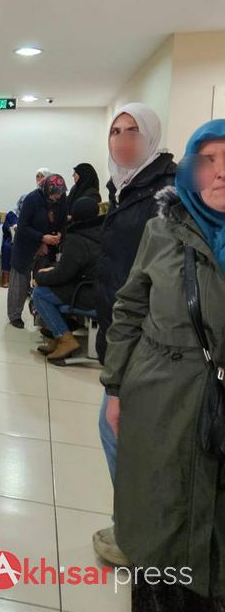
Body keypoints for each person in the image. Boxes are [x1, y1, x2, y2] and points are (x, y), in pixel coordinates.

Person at [101, 119, 225, 610]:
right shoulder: (162, 229)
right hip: (160, 395)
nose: (220, 173)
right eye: (208, 161)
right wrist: (114, 386)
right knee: (159, 523)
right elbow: (131, 306)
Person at [93, 102, 176, 567]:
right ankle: (137, 528)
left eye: (133, 131)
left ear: (151, 137)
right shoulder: (126, 187)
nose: (122, 140)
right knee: (122, 433)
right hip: (123, 333)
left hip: (150, 341)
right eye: (115, 131)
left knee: (119, 433)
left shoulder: (165, 192)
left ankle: (139, 534)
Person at [32, 196, 102, 362]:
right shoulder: (103, 232)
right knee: (51, 290)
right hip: (101, 290)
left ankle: (65, 339)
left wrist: (40, 276)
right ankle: (58, 338)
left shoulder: (77, 238)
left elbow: (62, 275)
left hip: (85, 292)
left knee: (40, 293)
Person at [7, 174, 67, 329]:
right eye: (54, 195)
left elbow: (62, 222)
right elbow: (23, 227)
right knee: (20, 282)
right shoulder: (32, 199)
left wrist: (60, 234)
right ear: (47, 190)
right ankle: (15, 315)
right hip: (26, 246)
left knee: (42, 282)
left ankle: (41, 317)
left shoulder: (62, 199)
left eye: (60, 194)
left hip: (48, 248)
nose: (57, 197)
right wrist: (41, 238)